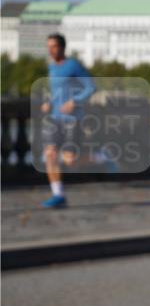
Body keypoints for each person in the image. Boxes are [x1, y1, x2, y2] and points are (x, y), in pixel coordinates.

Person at [39, 32, 95, 208]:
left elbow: (91, 87)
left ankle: (100, 157)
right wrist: (48, 102)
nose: (51, 50)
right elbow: (56, 91)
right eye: (48, 47)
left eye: (54, 46)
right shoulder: (51, 68)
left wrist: (75, 101)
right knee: (50, 154)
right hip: (54, 118)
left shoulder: (73, 65)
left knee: (69, 160)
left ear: (62, 47)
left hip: (71, 118)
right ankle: (58, 194)